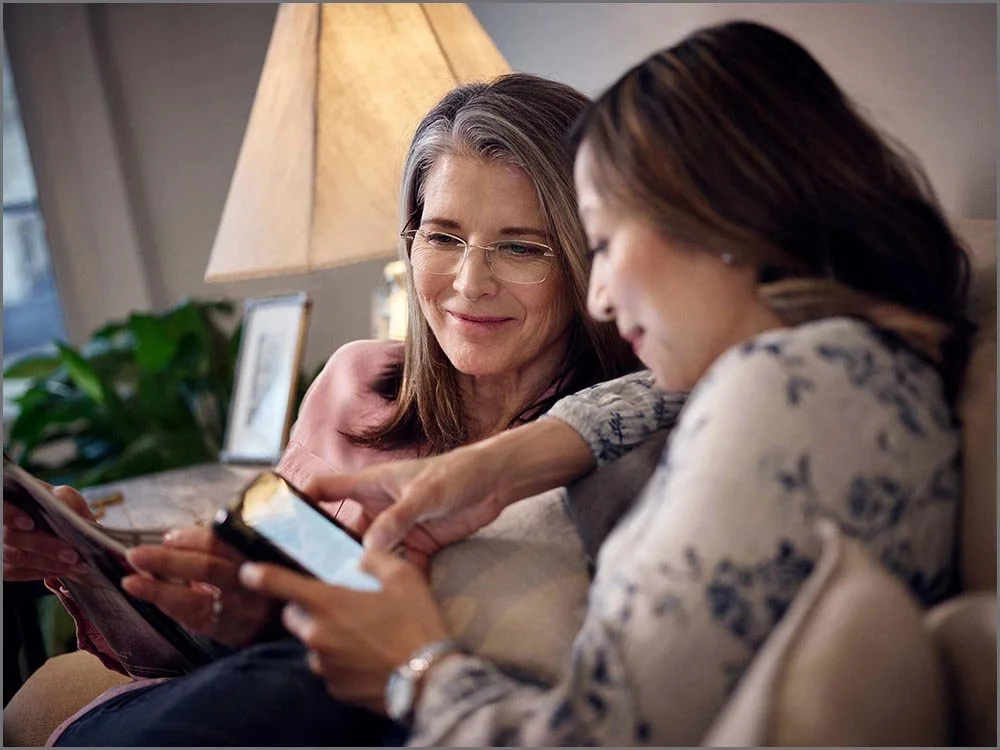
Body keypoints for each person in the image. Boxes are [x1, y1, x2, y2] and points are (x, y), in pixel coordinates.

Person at [227, 20, 970, 746]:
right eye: (442, 235)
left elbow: (597, 733)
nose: (602, 296)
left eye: (604, 244)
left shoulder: (787, 389)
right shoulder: (857, 369)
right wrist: (512, 459)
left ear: (725, 227)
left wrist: (412, 668)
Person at [5, 74, 686, 746]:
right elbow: (254, 634)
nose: (470, 283)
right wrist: (93, 571)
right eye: (443, 237)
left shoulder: (621, 444)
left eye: (521, 247)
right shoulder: (354, 382)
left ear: (586, 260)